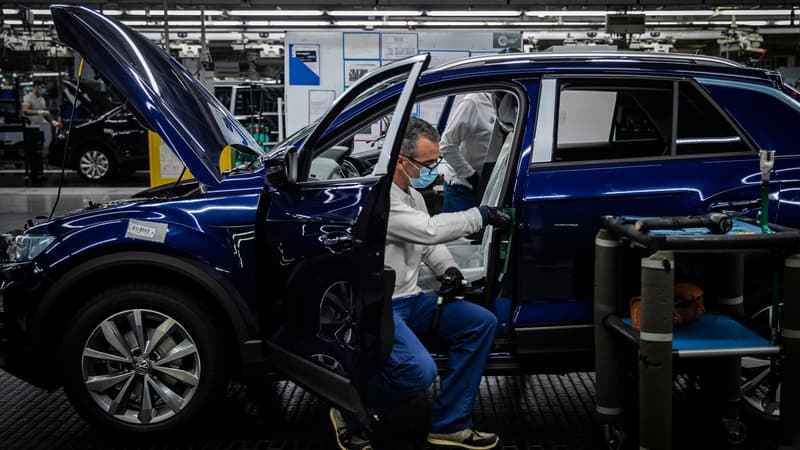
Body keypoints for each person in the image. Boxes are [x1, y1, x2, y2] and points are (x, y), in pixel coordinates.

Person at [329, 117, 511, 450]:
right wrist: (481, 215)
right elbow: (429, 230)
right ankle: (347, 405)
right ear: (401, 160)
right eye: (427, 164)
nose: (433, 169)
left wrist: (449, 269)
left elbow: (428, 246)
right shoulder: (383, 200)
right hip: (384, 307)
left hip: (413, 299)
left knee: (480, 324)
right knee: (418, 372)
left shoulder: (412, 194)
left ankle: (450, 424)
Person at [439, 92, 496, 212]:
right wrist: (471, 176)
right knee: (460, 229)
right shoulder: (472, 103)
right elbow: (446, 145)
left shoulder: (511, 102)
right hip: (463, 186)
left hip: (490, 183)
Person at [22, 80, 56, 161]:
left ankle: (38, 170)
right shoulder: (27, 97)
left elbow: (44, 114)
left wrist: (52, 122)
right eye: (42, 87)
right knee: (31, 150)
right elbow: (25, 110)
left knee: (39, 150)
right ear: (36, 86)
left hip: (39, 128)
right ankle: (32, 170)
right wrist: (39, 112)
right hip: (30, 128)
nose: (43, 90)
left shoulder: (42, 99)